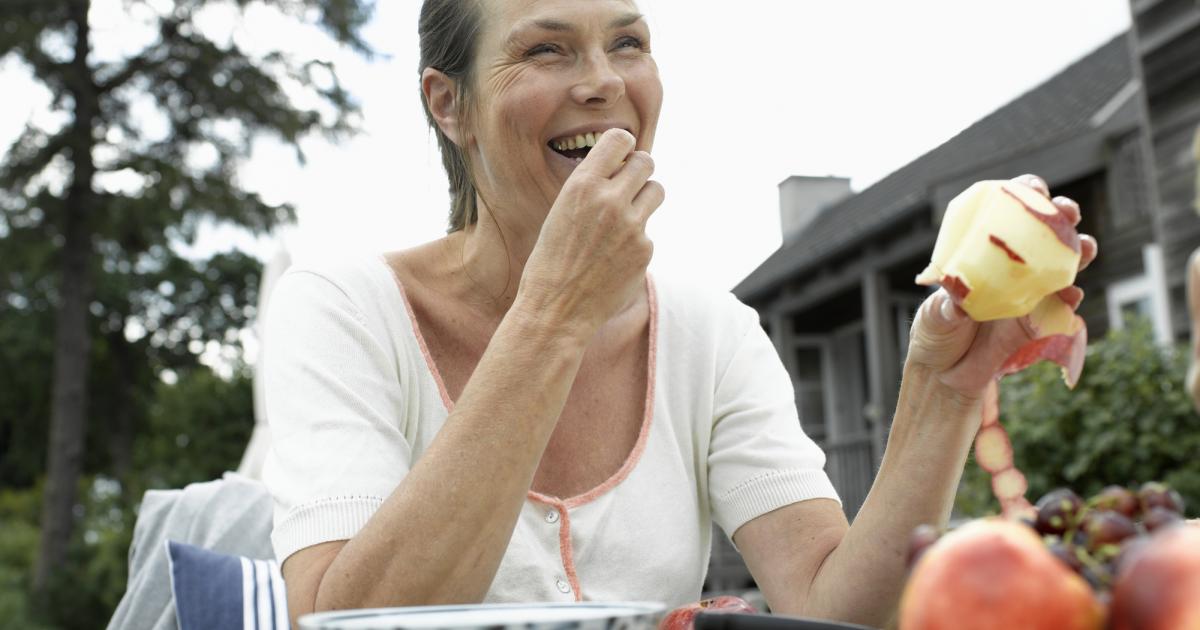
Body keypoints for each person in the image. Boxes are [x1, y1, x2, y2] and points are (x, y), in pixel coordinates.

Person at [262, 1, 1098, 627]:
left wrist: (941, 386)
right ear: (449, 105)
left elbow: (831, 607)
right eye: (545, 50)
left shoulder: (712, 332)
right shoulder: (342, 310)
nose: (601, 82)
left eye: (627, 43)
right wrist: (554, 313)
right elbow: (344, 622)